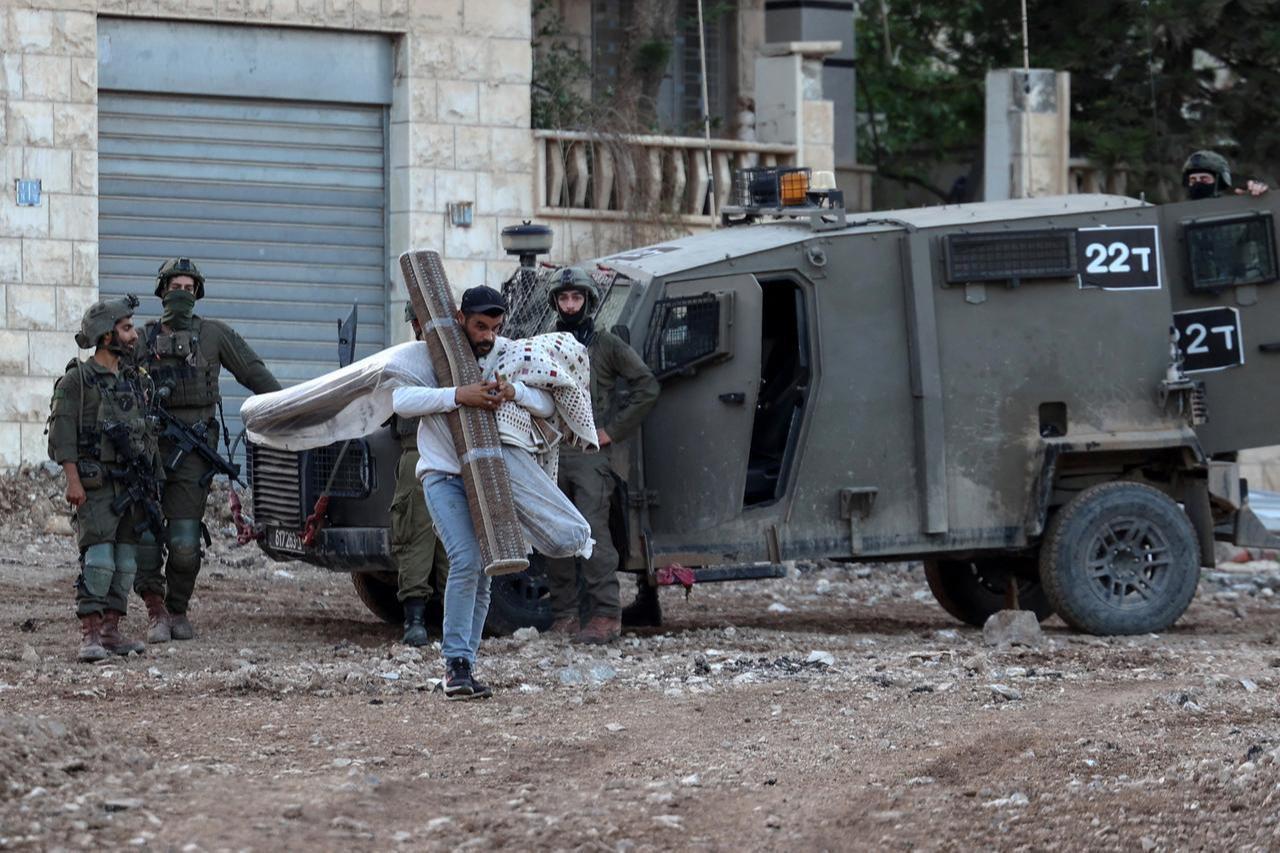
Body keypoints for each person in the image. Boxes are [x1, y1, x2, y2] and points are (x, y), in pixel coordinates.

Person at [391, 286, 558, 699]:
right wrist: (457, 396)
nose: (487, 336)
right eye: (480, 326)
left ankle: (465, 664)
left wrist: (513, 392)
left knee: (486, 573)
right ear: (461, 318)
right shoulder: (431, 354)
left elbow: (546, 403)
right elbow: (401, 400)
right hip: (443, 476)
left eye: (495, 327)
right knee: (465, 560)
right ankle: (454, 664)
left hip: (486, 477)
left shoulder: (505, 353)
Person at [133, 258, 282, 643]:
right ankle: (155, 610)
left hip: (192, 454)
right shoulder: (142, 338)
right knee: (145, 536)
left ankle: (178, 608)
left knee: (184, 543)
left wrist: (289, 409)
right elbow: (110, 381)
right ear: (162, 291)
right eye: (175, 288)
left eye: (188, 288)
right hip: (147, 451)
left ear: (197, 293)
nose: (181, 295)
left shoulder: (214, 335)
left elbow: (255, 374)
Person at [544, 267, 660, 643]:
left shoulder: (606, 344)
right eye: (564, 298)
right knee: (555, 534)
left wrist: (611, 431)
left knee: (592, 532)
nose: (570, 305)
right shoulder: (546, 343)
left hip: (589, 453)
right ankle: (565, 614)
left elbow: (646, 386)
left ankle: (606, 615)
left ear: (588, 301)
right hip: (551, 450)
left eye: (576, 298)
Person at [48, 296, 158, 662]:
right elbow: (62, 436)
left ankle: (111, 631)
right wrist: (72, 480)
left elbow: (147, 434)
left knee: (126, 562)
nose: (133, 335)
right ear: (106, 335)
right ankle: (90, 635)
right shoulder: (76, 381)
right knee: (99, 560)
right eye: (126, 329)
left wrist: (152, 481)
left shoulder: (134, 380)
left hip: (131, 486)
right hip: (94, 486)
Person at [390, 303, 450, 646]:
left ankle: (448, 617)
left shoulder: (457, 356)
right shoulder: (408, 358)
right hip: (416, 451)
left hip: (448, 453)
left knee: (450, 538)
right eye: (416, 321)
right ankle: (415, 619)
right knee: (416, 534)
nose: (419, 326)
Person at [1183, 150, 1268, 200]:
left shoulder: (1233, 199)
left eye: (1204, 179)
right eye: (1193, 180)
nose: (1198, 184)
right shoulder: (1183, 210)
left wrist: (1257, 193)